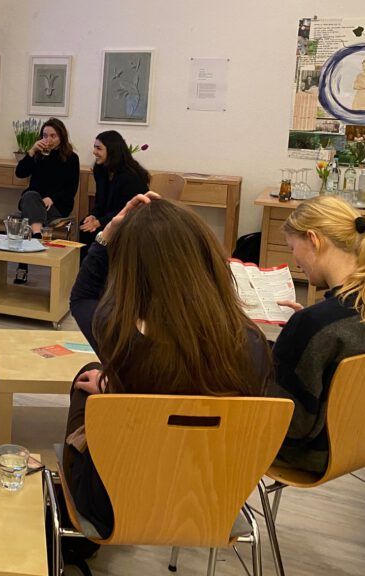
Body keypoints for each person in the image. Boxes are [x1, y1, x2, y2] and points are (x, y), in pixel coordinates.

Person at [63, 194, 271, 538]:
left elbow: (82, 297)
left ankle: (80, 533)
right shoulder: (252, 343)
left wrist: (107, 233)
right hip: (214, 500)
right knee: (104, 383)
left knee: (88, 378)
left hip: (115, 503)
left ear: (132, 270)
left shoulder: (121, 338)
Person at [271, 195, 365, 474]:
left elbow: (291, 425)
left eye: (293, 248)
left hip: (310, 453)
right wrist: (304, 329)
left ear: (313, 239)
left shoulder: (314, 325)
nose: (295, 259)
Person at [12, 118, 79, 284]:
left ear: (61, 137)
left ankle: (23, 267)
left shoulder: (71, 158)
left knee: (27, 219)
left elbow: (71, 189)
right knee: (30, 196)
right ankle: (37, 236)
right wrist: (31, 151)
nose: (48, 140)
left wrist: (52, 198)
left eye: (53, 136)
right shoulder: (37, 155)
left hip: (57, 204)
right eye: (44, 135)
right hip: (33, 200)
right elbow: (19, 173)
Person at [79, 130, 150, 253]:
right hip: (109, 217)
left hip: (130, 220)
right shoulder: (100, 169)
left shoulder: (130, 176)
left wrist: (99, 222)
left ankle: (99, 268)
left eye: (99, 148)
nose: (94, 152)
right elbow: (100, 200)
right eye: (94, 147)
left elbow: (128, 209)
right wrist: (94, 215)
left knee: (95, 230)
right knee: (85, 225)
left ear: (112, 150)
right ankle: (85, 268)